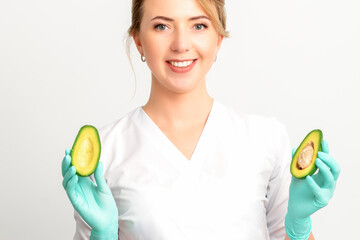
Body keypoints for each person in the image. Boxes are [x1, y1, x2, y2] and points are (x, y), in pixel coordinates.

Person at [61, 0, 341, 239]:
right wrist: (102, 236)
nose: (181, 44)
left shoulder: (266, 139)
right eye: (162, 26)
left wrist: (299, 227)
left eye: (198, 25)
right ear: (139, 41)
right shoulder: (106, 150)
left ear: (218, 39)